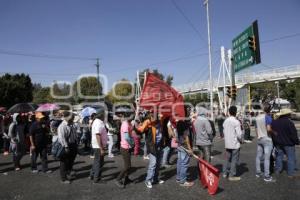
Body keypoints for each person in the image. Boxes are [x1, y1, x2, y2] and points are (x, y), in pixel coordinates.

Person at [137, 112, 165, 189]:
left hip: (159, 145)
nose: (157, 117)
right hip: (152, 147)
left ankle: (155, 179)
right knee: (153, 163)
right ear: (151, 116)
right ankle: (148, 180)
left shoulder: (159, 121)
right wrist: (142, 123)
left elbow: (164, 117)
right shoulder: (148, 123)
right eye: (154, 116)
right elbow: (140, 130)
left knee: (158, 164)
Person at [271, 108, 299, 178]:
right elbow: (293, 134)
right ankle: (290, 174)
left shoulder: (274, 122)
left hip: (278, 143)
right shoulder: (289, 122)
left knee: (279, 157)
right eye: (289, 114)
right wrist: (297, 142)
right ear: (287, 114)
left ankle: (278, 170)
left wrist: (274, 142)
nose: (290, 115)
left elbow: (272, 133)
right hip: (289, 144)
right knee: (290, 158)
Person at [255, 103, 275, 182]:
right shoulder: (268, 117)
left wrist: (258, 136)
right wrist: (275, 132)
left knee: (258, 156)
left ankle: (258, 172)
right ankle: (267, 176)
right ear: (269, 109)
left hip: (259, 138)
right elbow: (269, 129)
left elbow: (256, 129)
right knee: (267, 158)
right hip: (267, 139)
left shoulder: (257, 117)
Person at [223, 106, 243, 181]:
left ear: (229, 112)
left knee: (227, 159)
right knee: (234, 160)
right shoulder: (236, 122)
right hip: (234, 144)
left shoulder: (226, 121)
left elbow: (224, 131)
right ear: (235, 112)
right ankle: (231, 175)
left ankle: (224, 173)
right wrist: (241, 140)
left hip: (227, 143)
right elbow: (239, 134)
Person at [57, 112, 78, 184]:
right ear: (66, 117)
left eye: (73, 117)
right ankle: (63, 178)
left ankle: (68, 172)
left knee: (71, 161)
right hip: (66, 146)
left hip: (73, 145)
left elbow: (74, 134)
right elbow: (61, 138)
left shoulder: (72, 124)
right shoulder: (62, 126)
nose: (73, 118)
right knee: (64, 162)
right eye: (71, 117)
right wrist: (66, 147)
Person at [115, 114, 135, 188]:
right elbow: (126, 137)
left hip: (127, 147)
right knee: (127, 166)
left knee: (129, 166)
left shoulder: (128, 123)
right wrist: (132, 144)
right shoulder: (125, 124)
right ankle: (118, 179)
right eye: (132, 115)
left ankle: (126, 179)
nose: (133, 116)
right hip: (125, 147)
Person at [89, 112, 108, 184]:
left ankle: (92, 175)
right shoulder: (98, 122)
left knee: (97, 161)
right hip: (98, 146)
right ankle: (96, 178)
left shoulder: (97, 121)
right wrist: (101, 148)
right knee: (99, 162)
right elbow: (97, 135)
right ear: (102, 116)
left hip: (97, 145)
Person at [176, 120, 194, 187]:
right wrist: (190, 149)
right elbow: (187, 138)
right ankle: (183, 181)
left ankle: (178, 178)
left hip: (180, 145)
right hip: (185, 147)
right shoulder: (185, 125)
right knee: (184, 164)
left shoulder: (178, 123)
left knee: (180, 162)